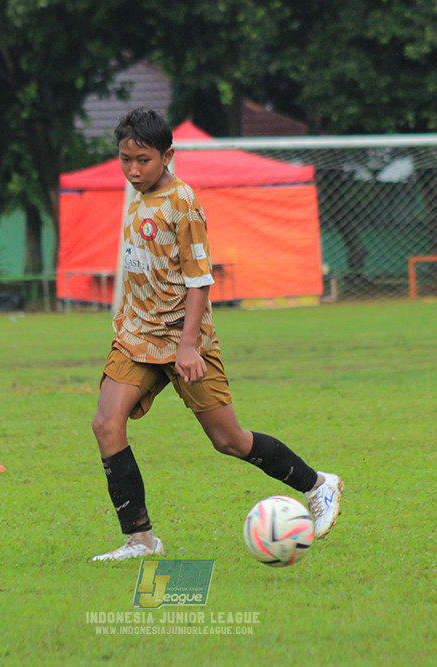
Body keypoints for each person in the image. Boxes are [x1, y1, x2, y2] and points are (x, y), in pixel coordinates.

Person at [91, 108, 343, 562]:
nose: (132, 169)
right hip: (136, 337)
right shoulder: (138, 194)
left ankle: (318, 485)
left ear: (167, 155)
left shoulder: (182, 201)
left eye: (142, 160)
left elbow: (199, 280)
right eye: (125, 159)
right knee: (106, 424)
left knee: (229, 440)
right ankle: (140, 539)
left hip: (184, 338)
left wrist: (188, 345)